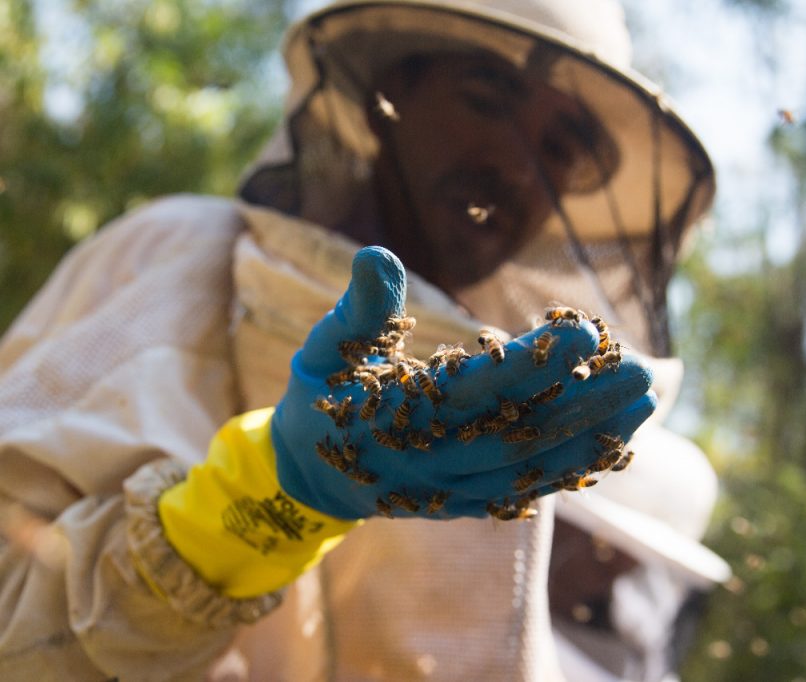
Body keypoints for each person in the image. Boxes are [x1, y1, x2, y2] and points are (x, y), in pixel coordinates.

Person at [0, 0, 727, 679]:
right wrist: (261, 501)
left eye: (561, 147)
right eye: (485, 101)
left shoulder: (509, 389)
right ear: (393, 96)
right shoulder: (180, 252)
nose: (514, 165)